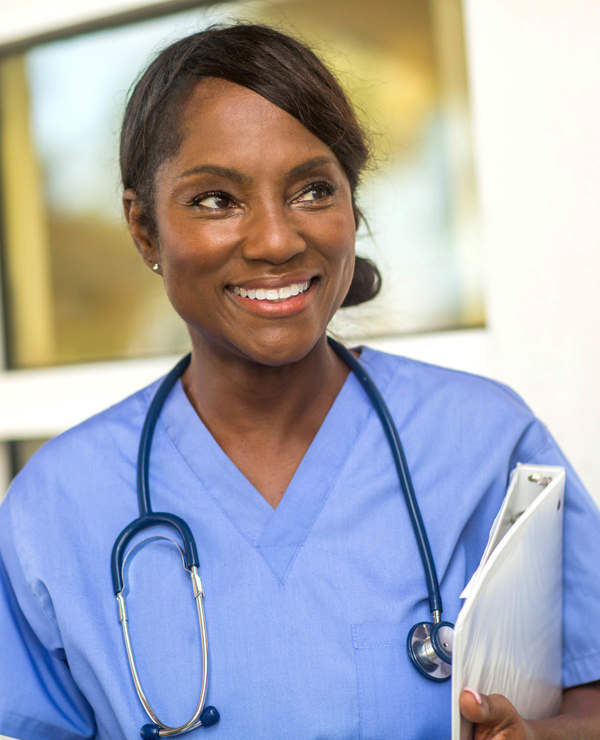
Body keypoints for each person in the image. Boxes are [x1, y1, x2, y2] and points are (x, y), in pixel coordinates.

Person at [1, 23, 599, 740]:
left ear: (353, 205)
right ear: (143, 228)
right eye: (216, 200)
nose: (277, 240)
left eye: (313, 189)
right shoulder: (58, 504)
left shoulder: (486, 442)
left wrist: (535, 736)